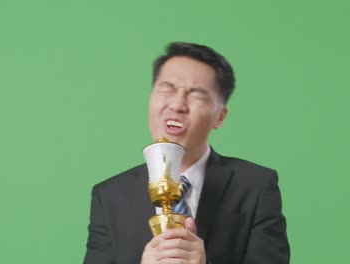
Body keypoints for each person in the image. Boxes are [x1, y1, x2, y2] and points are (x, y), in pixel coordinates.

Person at [84, 42, 290, 264]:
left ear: (220, 116)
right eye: (167, 88)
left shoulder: (256, 186)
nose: (177, 104)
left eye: (197, 95)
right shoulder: (110, 196)